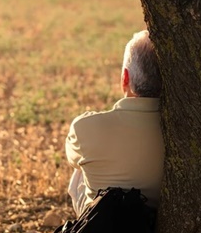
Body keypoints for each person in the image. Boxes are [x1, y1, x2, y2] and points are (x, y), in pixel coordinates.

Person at [66, 30, 164, 217]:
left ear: (125, 78)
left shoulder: (85, 127)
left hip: (102, 229)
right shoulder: (183, 131)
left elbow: (72, 158)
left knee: (80, 170)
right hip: (157, 227)